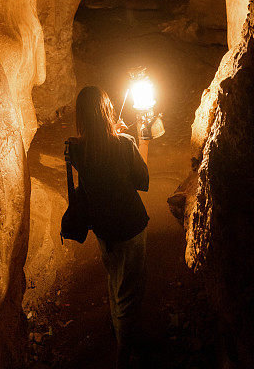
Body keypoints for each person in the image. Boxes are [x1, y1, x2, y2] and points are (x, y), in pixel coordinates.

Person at [67, 85, 149, 368]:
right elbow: (143, 181)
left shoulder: (75, 149)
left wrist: (115, 133)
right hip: (130, 226)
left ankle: (117, 330)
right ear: (107, 112)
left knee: (115, 277)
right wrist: (134, 139)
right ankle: (123, 356)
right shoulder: (125, 144)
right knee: (129, 290)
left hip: (103, 227)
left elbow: (99, 153)